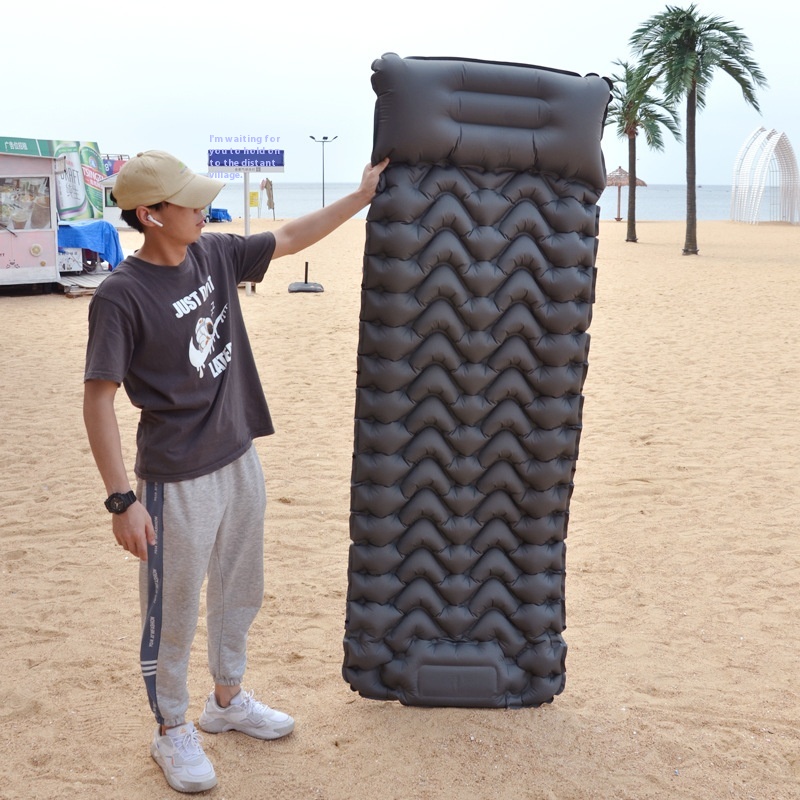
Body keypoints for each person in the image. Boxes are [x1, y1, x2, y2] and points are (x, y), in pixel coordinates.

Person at [83, 150, 388, 794]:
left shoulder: (213, 254)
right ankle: (171, 728)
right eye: (190, 202)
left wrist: (361, 197)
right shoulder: (121, 295)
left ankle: (226, 699)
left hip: (239, 456)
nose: (204, 209)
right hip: (175, 477)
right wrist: (121, 501)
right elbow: (98, 399)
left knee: (239, 590)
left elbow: (291, 236)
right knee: (172, 609)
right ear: (150, 215)